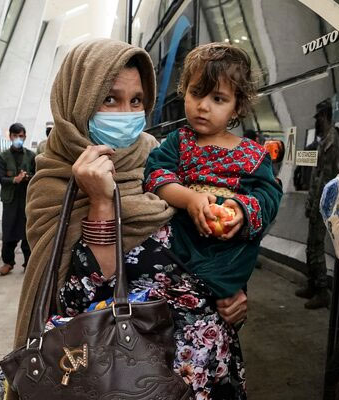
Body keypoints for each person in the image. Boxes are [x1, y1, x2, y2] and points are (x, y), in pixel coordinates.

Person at [13, 39, 250, 400]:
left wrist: (234, 290)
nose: (126, 113)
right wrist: (101, 202)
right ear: (77, 100)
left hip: (205, 360)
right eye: (110, 99)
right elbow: (74, 302)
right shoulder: (54, 182)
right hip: (123, 376)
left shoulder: (163, 159)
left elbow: (213, 232)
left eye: (136, 100)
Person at [144, 43, 282, 301]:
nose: (203, 106)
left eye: (218, 99)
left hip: (225, 257)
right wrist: (190, 199)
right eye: (197, 93)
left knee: (212, 303)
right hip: (178, 247)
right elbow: (156, 176)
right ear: (185, 92)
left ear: (237, 106)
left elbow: (269, 196)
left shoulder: (254, 155)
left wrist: (241, 210)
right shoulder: (179, 141)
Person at [297, 98, 339, 309]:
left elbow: (326, 180)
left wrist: (317, 207)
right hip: (317, 203)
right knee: (311, 245)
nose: (316, 122)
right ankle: (312, 284)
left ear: (324, 116)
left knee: (316, 246)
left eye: (318, 118)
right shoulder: (325, 140)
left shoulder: (332, 141)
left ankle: (322, 291)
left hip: (324, 206)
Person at [0, 123, 36, 275]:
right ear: (10, 136)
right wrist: (14, 179)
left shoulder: (31, 156)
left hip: (27, 198)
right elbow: (1, 179)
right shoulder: (3, 156)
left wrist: (27, 177)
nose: (18, 139)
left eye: (20, 136)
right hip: (10, 200)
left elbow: (36, 176)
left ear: (25, 137)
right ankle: (8, 262)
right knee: (8, 230)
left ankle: (29, 262)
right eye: (15, 136)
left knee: (27, 231)